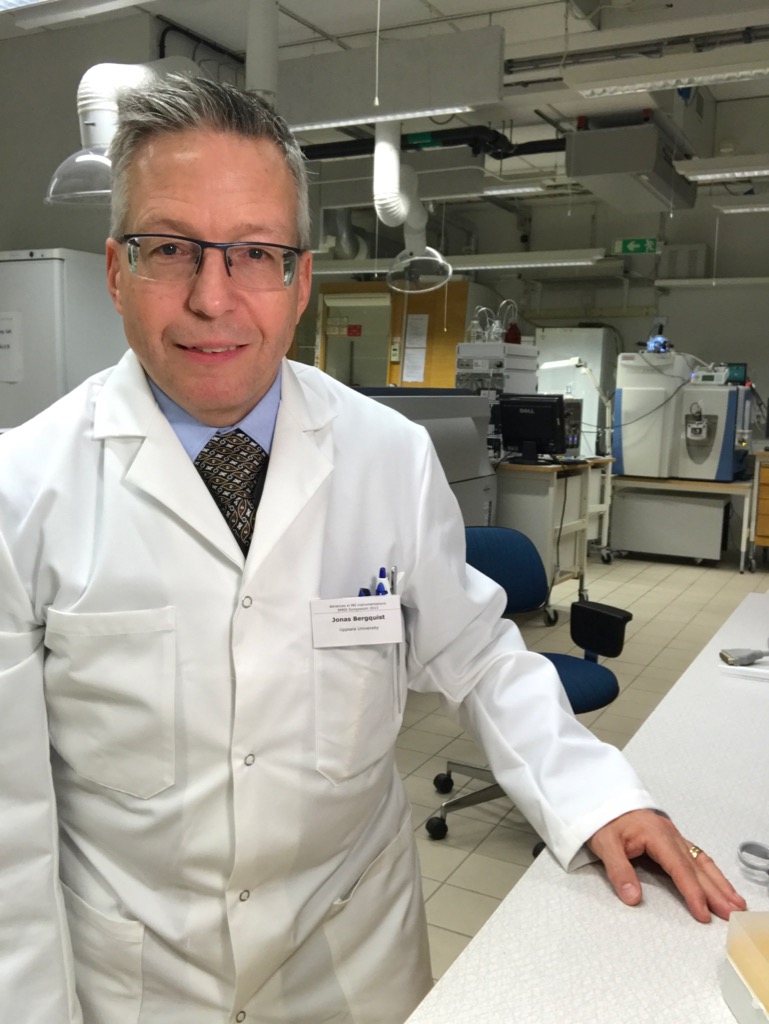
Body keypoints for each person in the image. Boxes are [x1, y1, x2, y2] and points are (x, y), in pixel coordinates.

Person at [0, 75, 745, 1024]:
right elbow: (10, 827)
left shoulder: (387, 455)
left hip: (351, 958)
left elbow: (474, 654)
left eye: (256, 254)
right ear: (116, 271)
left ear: (300, 281)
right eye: (170, 249)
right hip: (140, 983)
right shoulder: (21, 489)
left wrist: (594, 795)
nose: (212, 297)